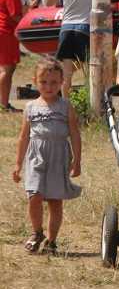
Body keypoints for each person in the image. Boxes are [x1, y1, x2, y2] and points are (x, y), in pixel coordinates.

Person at [12, 58, 82, 254]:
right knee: (34, 195)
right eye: (44, 82)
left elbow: (75, 134)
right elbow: (24, 136)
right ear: (35, 81)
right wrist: (18, 164)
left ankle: (51, 240)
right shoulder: (30, 107)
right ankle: (37, 231)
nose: (49, 87)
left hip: (58, 155)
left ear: (61, 82)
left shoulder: (65, 105)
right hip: (36, 156)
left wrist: (77, 160)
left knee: (54, 200)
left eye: (54, 82)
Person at [1, 0, 33, 111]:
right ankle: (3, 104)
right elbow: (15, 16)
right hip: (6, 32)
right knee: (8, 69)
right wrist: (29, 23)